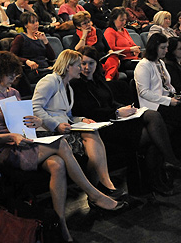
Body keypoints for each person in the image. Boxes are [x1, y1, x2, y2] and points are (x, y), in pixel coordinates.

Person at [0, 51, 124, 243]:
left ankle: (60, 226)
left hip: (25, 142)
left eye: (15, 73)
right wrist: (10, 136)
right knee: (62, 143)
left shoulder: (14, 93)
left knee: (57, 165)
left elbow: (23, 121)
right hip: (5, 150)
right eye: (10, 73)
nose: (14, 77)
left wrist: (35, 122)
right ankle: (95, 195)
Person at [72, 46, 181, 195]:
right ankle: (166, 168)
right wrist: (116, 112)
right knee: (155, 135)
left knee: (152, 117)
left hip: (115, 120)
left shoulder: (99, 79)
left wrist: (125, 108)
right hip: (102, 127)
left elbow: (111, 101)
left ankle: (161, 174)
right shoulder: (76, 84)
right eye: (83, 63)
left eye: (91, 63)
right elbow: (88, 112)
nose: (86, 67)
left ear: (97, 64)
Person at [32, 49, 127, 201]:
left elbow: (68, 116)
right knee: (91, 139)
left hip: (63, 128)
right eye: (78, 65)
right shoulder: (49, 81)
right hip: (47, 132)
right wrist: (56, 125)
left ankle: (103, 184)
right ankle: (102, 186)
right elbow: (35, 108)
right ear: (68, 66)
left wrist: (82, 119)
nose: (82, 68)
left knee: (92, 132)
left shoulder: (67, 86)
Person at [135, 34, 181, 132]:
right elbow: (144, 92)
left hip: (165, 99)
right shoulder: (143, 65)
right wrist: (168, 101)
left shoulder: (160, 62)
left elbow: (167, 85)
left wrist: (175, 95)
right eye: (163, 48)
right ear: (154, 48)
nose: (166, 51)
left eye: (167, 47)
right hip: (154, 105)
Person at [11, 11, 56, 84]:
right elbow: (12, 56)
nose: (36, 24)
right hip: (31, 71)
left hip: (45, 69)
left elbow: (52, 57)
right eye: (32, 22)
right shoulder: (20, 38)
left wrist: (45, 41)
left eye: (37, 21)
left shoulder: (40, 38)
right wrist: (26, 61)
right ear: (26, 25)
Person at [103, 7, 140, 80]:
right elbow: (111, 48)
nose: (124, 22)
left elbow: (132, 44)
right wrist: (130, 49)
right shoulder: (110, 31)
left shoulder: (124, 30)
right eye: (121, 20)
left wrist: (136, 49)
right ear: (114, 20)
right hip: (122, 60)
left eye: (125, 20)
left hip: (132, 58)